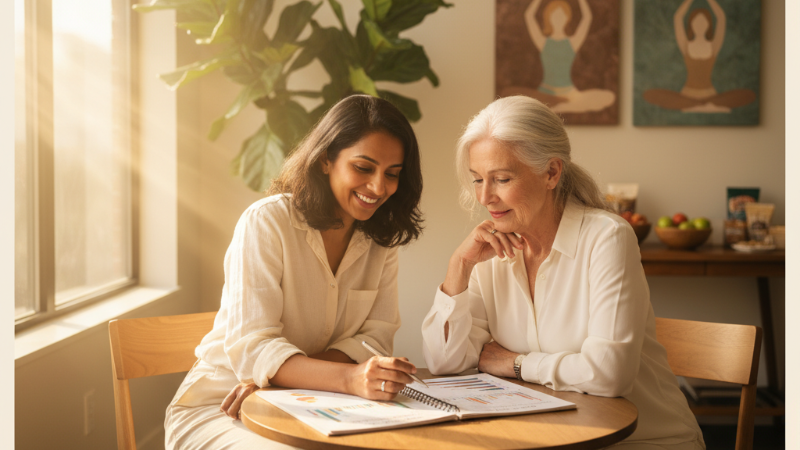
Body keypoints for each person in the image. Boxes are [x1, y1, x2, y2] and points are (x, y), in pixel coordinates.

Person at [421, 96, 705, 449]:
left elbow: (609, 375)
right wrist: (458, 269)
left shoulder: (607, 238)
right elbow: (446, 364)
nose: (485, 197)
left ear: (551, 173)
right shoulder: (490, 252)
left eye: (502, 179)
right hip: (548, 439)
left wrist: (516, 364)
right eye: (477, 179)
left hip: (643, 441)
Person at [165, 95, 425, 450]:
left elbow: (374, 341)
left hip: (312, 403)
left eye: (392, 174)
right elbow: (254, 349)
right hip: (224, 406)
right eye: (364, 168)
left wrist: (279, 378)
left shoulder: (380, 241)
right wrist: (347, 377)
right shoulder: (267, 222)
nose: (379, 188)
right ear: (324, 161)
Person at [501, 0, 615, 113]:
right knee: (508, 94)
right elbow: (529, 16)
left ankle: (562, 106)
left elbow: (587, 18)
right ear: (549, 18)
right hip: (545, 93)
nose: (558, 19)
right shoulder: (543, 42)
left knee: (609, 96)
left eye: (561, 15)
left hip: (570, 94)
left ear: (567, 18)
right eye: (554, 15)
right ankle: (558, 105)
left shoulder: (572, 43)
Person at [643, 0, 755, 113]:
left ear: (708, 24)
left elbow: (721, 17)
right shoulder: (685, 45)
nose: (700, 25)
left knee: (724, 110)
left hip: (711, 96)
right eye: (696, 21)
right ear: (691, 24)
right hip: (687, 96)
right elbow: (678, 17)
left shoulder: (714, 46)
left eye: (703, 21)